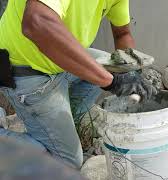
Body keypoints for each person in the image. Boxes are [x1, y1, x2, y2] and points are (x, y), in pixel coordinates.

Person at [0, 0, 156, 169]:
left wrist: (129, 71)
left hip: (57, 60)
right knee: (65, 163)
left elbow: (122, 34)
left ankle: (58, 127)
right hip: (26, 67)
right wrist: (111, 81)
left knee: (109, 67)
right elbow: (37, 22)